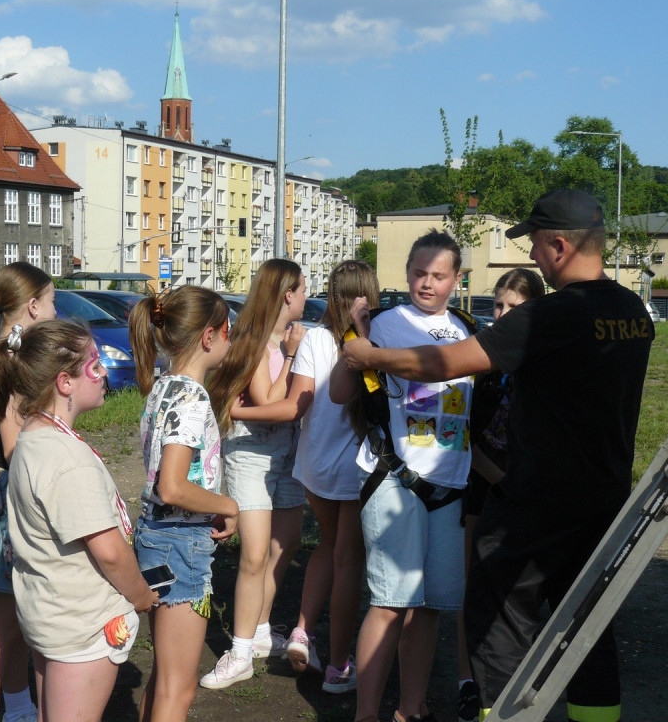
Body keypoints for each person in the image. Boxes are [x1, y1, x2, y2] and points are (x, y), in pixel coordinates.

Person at [340, 189, 654, 722]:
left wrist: (370, 354)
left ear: (559, 246)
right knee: (588, 625)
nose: (531, 255)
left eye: (535, 244)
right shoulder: (632, 312)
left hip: (537, 501)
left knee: (500, 622)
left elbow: (445, 363)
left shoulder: (551, 315)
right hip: (605, 496)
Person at [330, 230, 473, 722]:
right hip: (394, 477)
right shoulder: (384, 324)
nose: (427, 284)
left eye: (438, 275)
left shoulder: (468, 328)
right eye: (418, 273)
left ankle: (411, 709)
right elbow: (338, 392)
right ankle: (366, 714)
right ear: (407, 272)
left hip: (451, 483)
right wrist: (355, 339)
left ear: (457, 278)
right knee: (390, 602)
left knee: (429, 604)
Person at [0, 319, 157, 721]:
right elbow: (109, 551)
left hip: (51, 614)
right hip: (82, 626)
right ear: (65, 382)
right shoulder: (66, 459)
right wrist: (140, 595)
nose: (103, 374)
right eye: (95, 366)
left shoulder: (32, 436)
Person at [230, 259, 380, 693]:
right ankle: (337, 665)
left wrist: (239, 410)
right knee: (349, 560)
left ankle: (301, 630)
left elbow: (296, 404)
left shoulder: (314, 338)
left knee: (327, 546)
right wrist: (236, 411)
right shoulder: (373, 343)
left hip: (314, 465)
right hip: (354, 467)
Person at [129, 286, 240, 722]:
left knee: (164, 678)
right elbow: (173, 488)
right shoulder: (192, 398)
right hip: (181, 543)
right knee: (178, 687)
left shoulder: (164, 387)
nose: (231, 339)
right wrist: (228, 505)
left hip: (157, 537)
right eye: (228, 330)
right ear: (209, 337)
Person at [201, 259, 308, 690]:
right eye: (303, 289)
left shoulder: (281, 338)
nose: (306, 296)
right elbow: (267, 398)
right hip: (251, 451)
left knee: (286, 543)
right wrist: (292, 355)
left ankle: (261, 630)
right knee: (255, 553)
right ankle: (241, 651)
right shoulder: (258, 340)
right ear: (287, 294)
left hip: (287, 450)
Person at [454, 267, 544, 722]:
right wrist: (499, 480)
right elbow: (463, 437)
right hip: (486, 488)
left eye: (514, 307)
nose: (502, 315)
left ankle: (521, 681)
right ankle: (468, 682)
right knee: (474, 585)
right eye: (498, 305)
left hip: (531, 492)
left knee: (522, 594)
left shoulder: (543, 364)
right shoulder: (484, 366)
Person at [0, 263, 56, 722]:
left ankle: (18, 708)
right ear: (34, 306)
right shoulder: (13, 357)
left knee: (16, 623)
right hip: (11, 503)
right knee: (3, 627)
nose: (56, 311)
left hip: (5, 497)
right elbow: (14, 444)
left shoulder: (3, 349)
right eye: (53, 301)